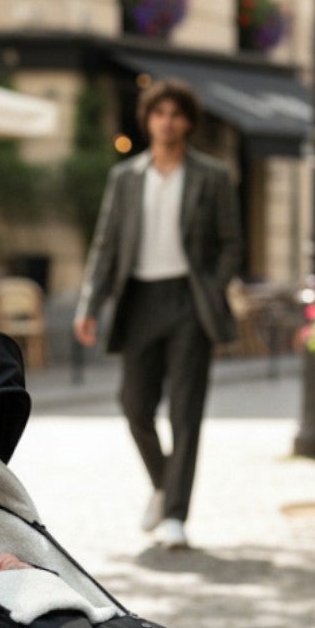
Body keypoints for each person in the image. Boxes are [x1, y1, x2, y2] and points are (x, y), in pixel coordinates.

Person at [73, 77, 241, 549]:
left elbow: (232, 244)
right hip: (139, 301)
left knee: (186, 412)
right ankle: (165, 485)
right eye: (158, 113)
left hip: (190, 302)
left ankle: (175, 516)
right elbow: (105, 243)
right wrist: (90, 303)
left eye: (175, 113)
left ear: (188, 121)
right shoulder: (126, 177)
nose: (166, 122)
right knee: (134, 405)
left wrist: (211, 284)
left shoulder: (212, 175)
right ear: (147, 120)